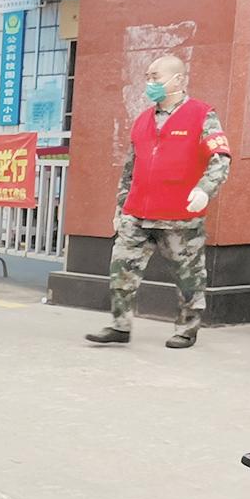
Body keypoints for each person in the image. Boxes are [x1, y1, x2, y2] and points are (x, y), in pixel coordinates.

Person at [86, 54, 231, 349]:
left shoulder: (202, 114)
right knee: (121, 270)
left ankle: (187, 329)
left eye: (156, 77)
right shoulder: (142, 120)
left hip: (180, 216)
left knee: (188, 276)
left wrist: (205, 189)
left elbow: (221, 159)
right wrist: (120, 208)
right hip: (137, 213)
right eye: (148, 77)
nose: (150, 82)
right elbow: (130, 169)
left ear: (178, 80)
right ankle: (119, 325)